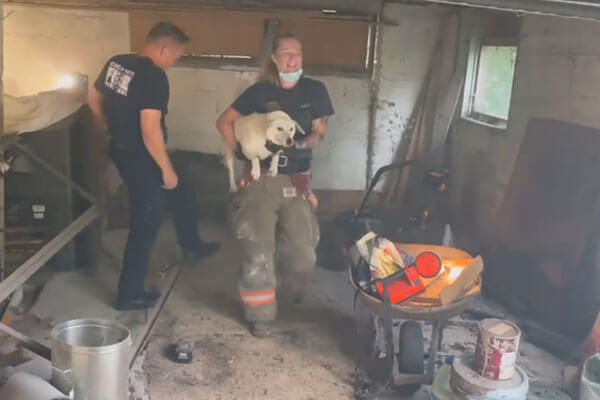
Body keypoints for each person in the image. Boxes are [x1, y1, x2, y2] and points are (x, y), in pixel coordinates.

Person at [89, 22, 219, 311]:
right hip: (142, 158)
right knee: (145, 222)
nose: (175, 61)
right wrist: (166, 169)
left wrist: (109, 127)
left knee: (182, 192)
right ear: (164, 48)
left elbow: (94, 98)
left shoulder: (118, 62)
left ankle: (192, 245)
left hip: (120, 149)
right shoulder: (154, 77)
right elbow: (150, 129)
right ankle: (129, 294)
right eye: (176, 55)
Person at [216, 34, 334, 337]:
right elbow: (224, 121)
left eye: (297, 53)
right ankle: (260, 314)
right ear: (274, 58)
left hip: (297, 182)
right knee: (258, 250)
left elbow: (320, 131)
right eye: (286, 54)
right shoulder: (259, 92)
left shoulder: (315, 90)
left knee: (303, 253)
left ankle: (286, 286)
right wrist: (241, 151)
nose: (292, 60)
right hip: (261, 180)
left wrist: (304, 142)